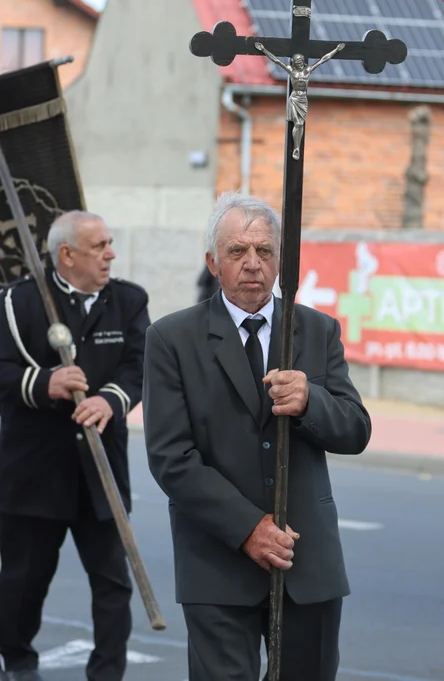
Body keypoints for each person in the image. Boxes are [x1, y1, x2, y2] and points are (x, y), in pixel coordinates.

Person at [143, 191, 372, 681]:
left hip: (306, 564)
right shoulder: (171, 338)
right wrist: (249, 528)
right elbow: (170, 458)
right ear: (212, 261)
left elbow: (355, 429)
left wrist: (312, 400)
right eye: (237, 252)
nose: (253, 264)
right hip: (218, 563)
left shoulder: (316, 330)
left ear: (281, 260)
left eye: (265, 251)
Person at [0, 211, 150, 681]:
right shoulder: (17, 302)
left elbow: (139, 365)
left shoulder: (128, 300)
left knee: (113, 586)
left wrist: (111, 400)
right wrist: (44, 382)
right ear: (66, 255)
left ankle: (106, 674)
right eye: (99, 246)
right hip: (33, 471)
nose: (110, 254)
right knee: (22, 585)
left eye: (110, 243)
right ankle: (19, 663)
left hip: (100, 468)